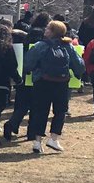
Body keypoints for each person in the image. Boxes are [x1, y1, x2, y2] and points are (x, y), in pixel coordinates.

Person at [24, 20, 85, 153]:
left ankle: (37, 142)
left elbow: (28, 63)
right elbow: (79, 65)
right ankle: (54, 139)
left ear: (52, 32)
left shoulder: (40, 45)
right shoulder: (68, 46)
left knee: (40, 111)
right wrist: (77, 75)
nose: (45, 30)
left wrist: (30, 72)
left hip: (42, 82)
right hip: (61, 83)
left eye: (47, 28)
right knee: (60, 111)